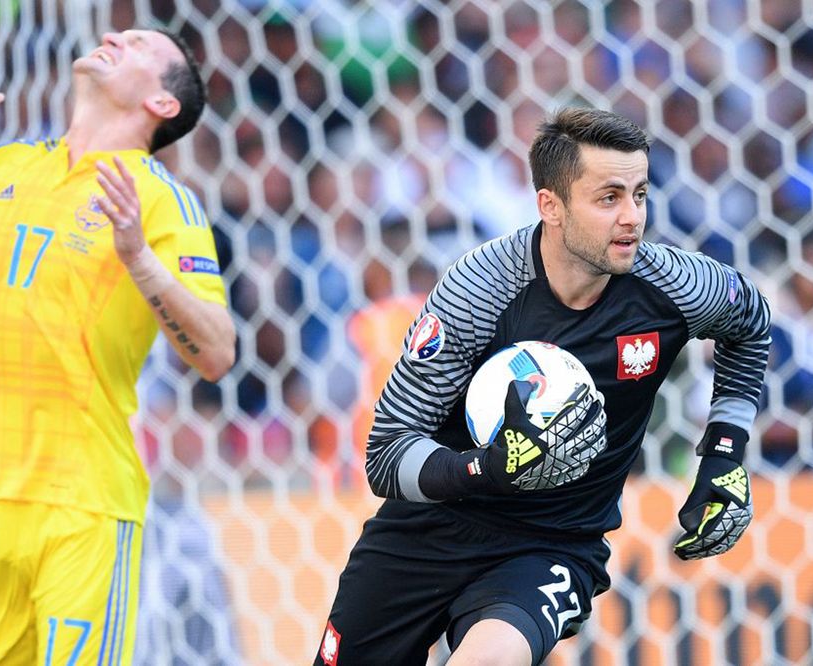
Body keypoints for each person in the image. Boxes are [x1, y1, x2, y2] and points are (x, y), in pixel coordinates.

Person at [315, 107, 770, 666]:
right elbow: (385, 456)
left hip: (552, 544)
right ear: (549, 206)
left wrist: (725, 452)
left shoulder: (674, 284)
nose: (632, 218)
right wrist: (487, 468)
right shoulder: (478, 290)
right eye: (609, 198)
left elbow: (751, 324)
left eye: (640, 194)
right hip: (427, 531)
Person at [0, 25, 235, 664]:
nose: (117, 35)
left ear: (162, 104)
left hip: (82, 506)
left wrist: (141, 262)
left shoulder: (161, 201)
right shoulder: (8, 167)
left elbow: (216, 354)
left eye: (143, 45)